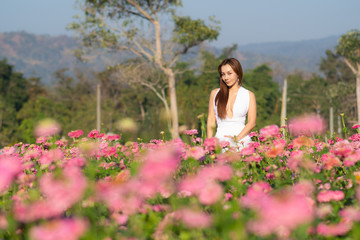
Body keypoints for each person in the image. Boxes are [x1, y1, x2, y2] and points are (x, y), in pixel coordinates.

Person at [207, 58, 256, 149]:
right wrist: (209, 142)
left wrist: (237, 139)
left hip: (241, 141)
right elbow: (211, 119)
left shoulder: (248, 95)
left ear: (238, 73)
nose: (226, 78)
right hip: (220, 140)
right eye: (223, 74)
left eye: (230, 73)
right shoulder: (215, 94)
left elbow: (252, 122)